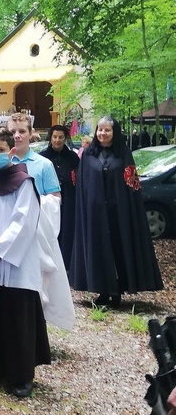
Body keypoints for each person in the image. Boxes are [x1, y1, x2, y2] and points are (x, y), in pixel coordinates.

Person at [0, 127, 51, 398]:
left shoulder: (24, 182)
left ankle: (20, 375)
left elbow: (24, 221)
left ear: (12, 152)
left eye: (0, 151)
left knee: (17, 318)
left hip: (16, 262)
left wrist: (0, 250)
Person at [70, 116, 163, 308]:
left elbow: (131, 184)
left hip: (118, 212)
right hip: (95, 214)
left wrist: (128, 209)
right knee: (99, 250)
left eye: (107, 130)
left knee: (119, 248)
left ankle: (118, 290)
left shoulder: (123, 154)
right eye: (100, 130)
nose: (102, 134)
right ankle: (103, 291)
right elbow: (83, 186)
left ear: (115, 132)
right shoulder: (88, 156)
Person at [6, 113, 74, 331]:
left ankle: (33, 331)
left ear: (31, 133)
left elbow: (55, 199)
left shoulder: (43, 165)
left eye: (22, 131)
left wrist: (29, 204)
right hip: (6, 235)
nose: (16, 136)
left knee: (33, 285)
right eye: (12, 132)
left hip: (34, 236)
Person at [39, 125, 80, 269]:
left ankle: (67, 264)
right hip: (48, 200)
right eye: (55, 137)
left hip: (69, 201)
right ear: (50, 138)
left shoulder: (73, 157)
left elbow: (79, 178)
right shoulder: (42, 157)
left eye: (60, 137)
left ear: (65, 138)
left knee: (68, 230)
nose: (57, 140)